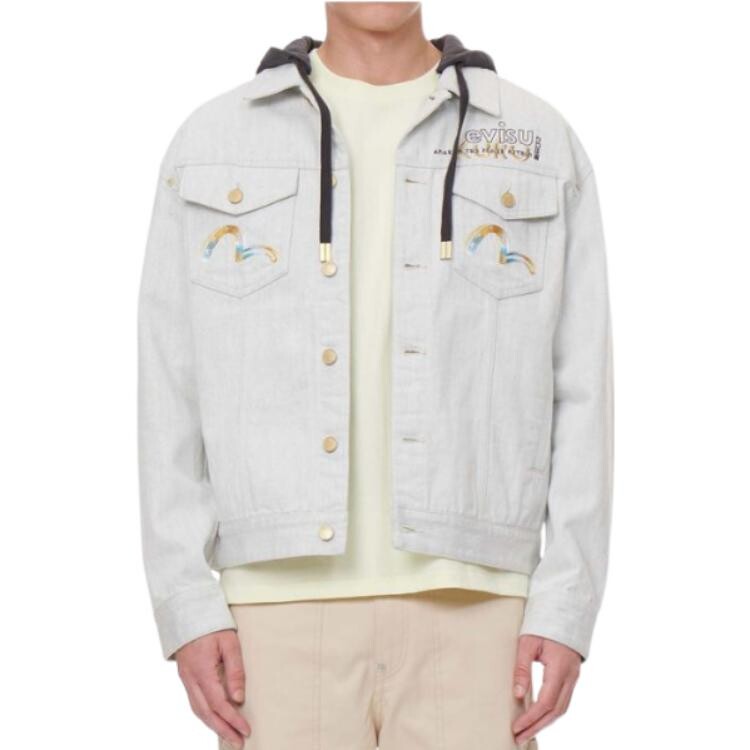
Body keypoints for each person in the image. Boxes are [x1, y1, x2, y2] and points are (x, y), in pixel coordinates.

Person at [137, 3, 613, 748]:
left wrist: (567, 604)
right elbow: (170, 381)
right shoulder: (215, 140)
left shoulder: (537, 141)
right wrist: (185, 602)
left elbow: (583, 387)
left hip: (480, 611)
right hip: (272, 615)